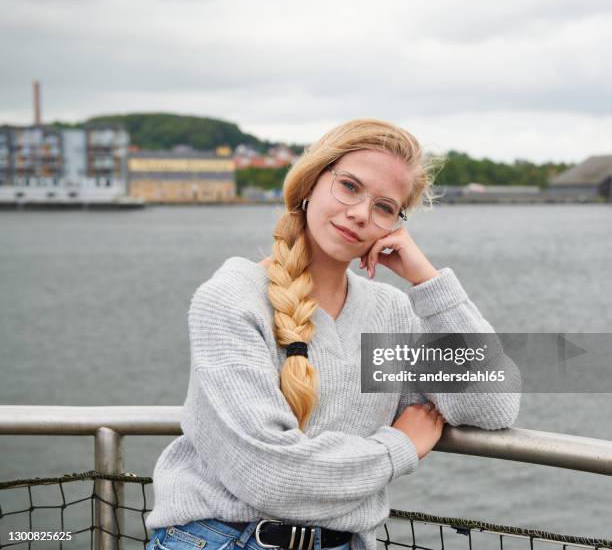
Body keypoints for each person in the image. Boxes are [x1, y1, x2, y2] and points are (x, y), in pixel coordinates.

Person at [144, 119, 521, 550]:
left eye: (384, 207)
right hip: (220, 539)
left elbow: (494, 407)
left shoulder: (389, 313)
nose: (361, 212)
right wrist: (398, 447)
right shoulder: (232, 299)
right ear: (311, 183)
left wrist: (427, 280)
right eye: (349, 186)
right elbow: (270, 477)